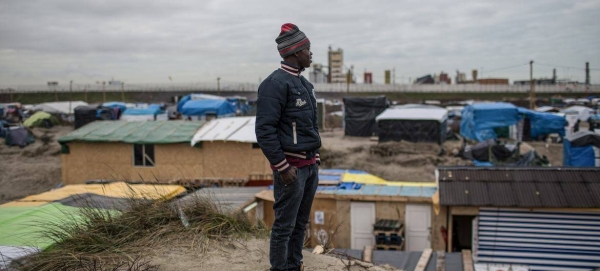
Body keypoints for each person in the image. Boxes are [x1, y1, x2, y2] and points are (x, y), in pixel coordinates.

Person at [255, 23, 321, 271]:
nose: (311, 54)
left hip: (309, 167)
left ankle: (294, 265)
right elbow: (264, 130)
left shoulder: (304, 85)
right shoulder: (274, 84)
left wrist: (315, 157)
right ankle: (280, 268)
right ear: (295, 52)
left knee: (300, 222)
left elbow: (308, 126)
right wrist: (283, 167)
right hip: (291, 170)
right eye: (308, 49)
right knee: (284, 225)